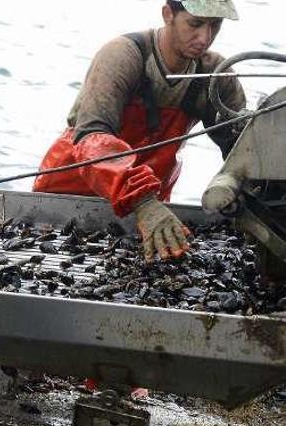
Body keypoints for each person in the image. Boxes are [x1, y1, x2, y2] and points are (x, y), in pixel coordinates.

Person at [33, 0, 246, 262]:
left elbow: (244, 151)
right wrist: (143, 202)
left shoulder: (215, 76)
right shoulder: (123, 56)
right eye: (195, 23)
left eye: (215, 25)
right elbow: (91, 137)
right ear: (168, 14)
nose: (205, 37)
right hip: (68, 198)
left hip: (148, 211)